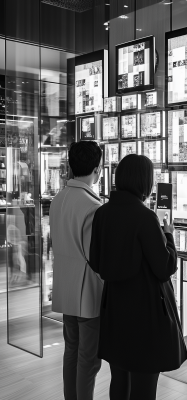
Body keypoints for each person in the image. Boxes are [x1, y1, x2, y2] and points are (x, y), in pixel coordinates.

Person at [89, 154, 187, 400]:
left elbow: (96, 261)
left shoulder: (103, 213)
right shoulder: (145, 217)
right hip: (145, 314)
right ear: (144, 181)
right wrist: (169, 235)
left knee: (119, 381)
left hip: (114, 309)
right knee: (144, 386)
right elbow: (165, 267)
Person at [50, 141, 103, 400]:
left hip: (65, 288)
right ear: (98, 169)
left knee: (71, 349)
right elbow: (96, 257)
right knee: (89, 359)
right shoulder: (93, 205)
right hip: (87, 291)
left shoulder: (58, 198)